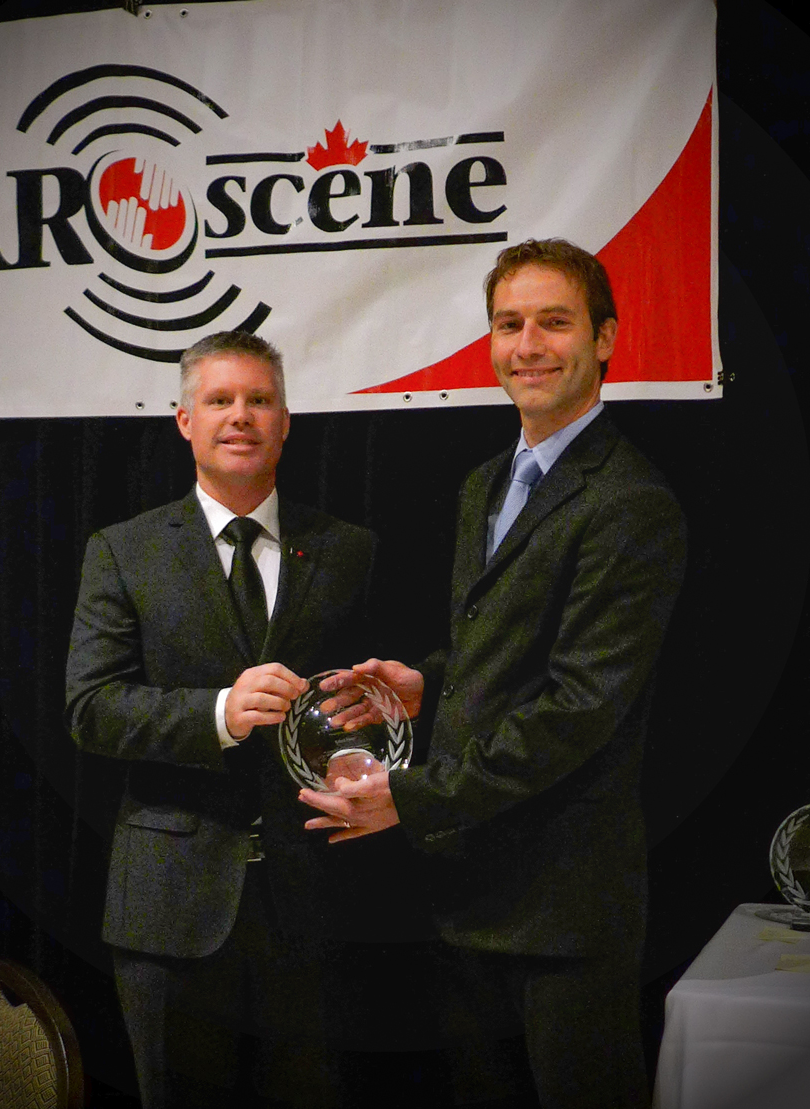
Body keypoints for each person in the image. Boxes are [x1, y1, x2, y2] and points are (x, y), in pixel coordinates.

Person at [301, 239, 688, 1108]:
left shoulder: (631, 501)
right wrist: (425, 684)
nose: (529, 344)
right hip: (469, 895)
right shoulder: (486, 482)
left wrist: (414, 796)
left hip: (563, 913)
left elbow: (577, 706)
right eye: (509, 324)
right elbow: (505, 658)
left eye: (555, 322)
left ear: (607, 339)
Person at [65, 331, 380, 1109]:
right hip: (169, 911)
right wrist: (217, 714)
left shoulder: (349, 550)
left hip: (313, 905)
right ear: (184, 420)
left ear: (285, 422)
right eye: (220, 399)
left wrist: (361, 756)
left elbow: (371, 706)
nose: (241, 416)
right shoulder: (123, 551)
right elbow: (90, 707)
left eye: (259, 399)